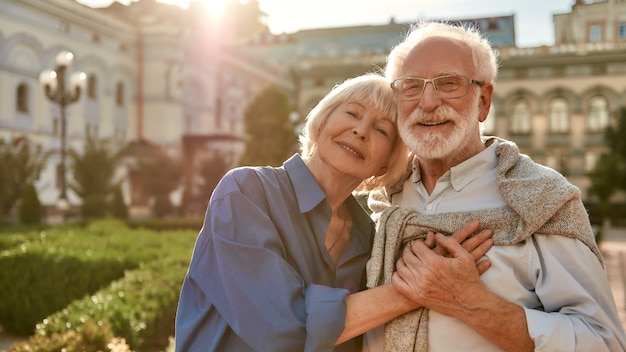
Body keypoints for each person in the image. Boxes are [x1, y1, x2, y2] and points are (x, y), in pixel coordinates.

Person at [174, 73, 494, 351]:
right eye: (352, 113)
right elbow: (282, 327)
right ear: (323, 120)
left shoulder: (370, 236)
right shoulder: (246, 192)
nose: (360, 131)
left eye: (382, 130)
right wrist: (418, 289)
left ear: (388, 160)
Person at [365, 20, 626, 352]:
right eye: (411, 86)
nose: (427, 102)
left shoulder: (541, 198)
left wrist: (472, 304)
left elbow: (604, 343)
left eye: (448, 83)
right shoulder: (383, 200)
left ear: (484, 101)